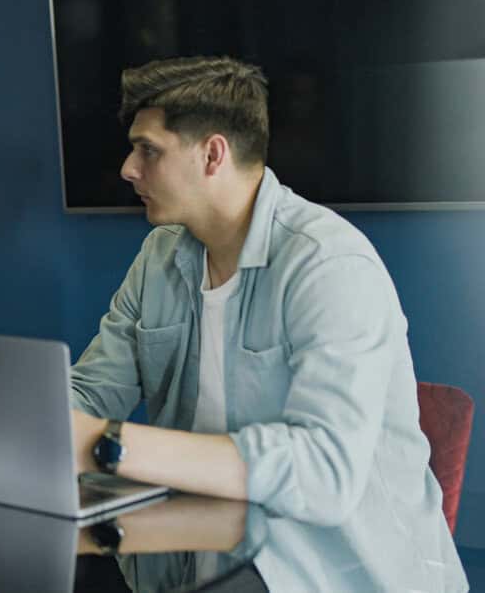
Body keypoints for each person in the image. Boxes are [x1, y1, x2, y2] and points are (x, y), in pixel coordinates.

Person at [68, 56, 467, 591]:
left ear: (213, 154)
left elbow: (325, 470)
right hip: (187, 563)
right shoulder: (159, 259)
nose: (127, 168)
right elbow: (91, 396)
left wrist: (112, 445)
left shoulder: (330, 265)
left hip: (324, 573)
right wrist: (35, 426)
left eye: (148, 150)